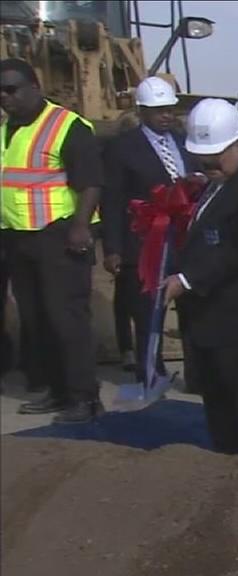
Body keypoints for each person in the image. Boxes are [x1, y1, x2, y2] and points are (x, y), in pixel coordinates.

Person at [163, 98, 238, 454]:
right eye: (203, 156)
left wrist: (187, 280)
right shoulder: (212, 186)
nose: (209, 163)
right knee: (218, 409)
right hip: (210, 323)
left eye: (217, 154)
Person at [0, 57, 103, 423]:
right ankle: (57, 391)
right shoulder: (8, 129)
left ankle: (84, 397)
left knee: (67, 319)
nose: (5, 97)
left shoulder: (68, 126)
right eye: (0, 92)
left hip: (59, 236)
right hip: (19, 237)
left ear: (35, 87)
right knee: (37, 320)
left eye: (12, 89)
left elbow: (90, 181)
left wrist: (80, 227)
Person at [102, 76, 197, 384]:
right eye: (159, 111)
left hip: (184, 240)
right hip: (143, 243)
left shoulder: (185, 142)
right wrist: (113, 248)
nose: (167, 115)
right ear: (142, 111)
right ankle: (151, 371)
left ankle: (197, 373)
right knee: (146, 312)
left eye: (170, 109)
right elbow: (113, 199)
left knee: (192, 309)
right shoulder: (122, 148)